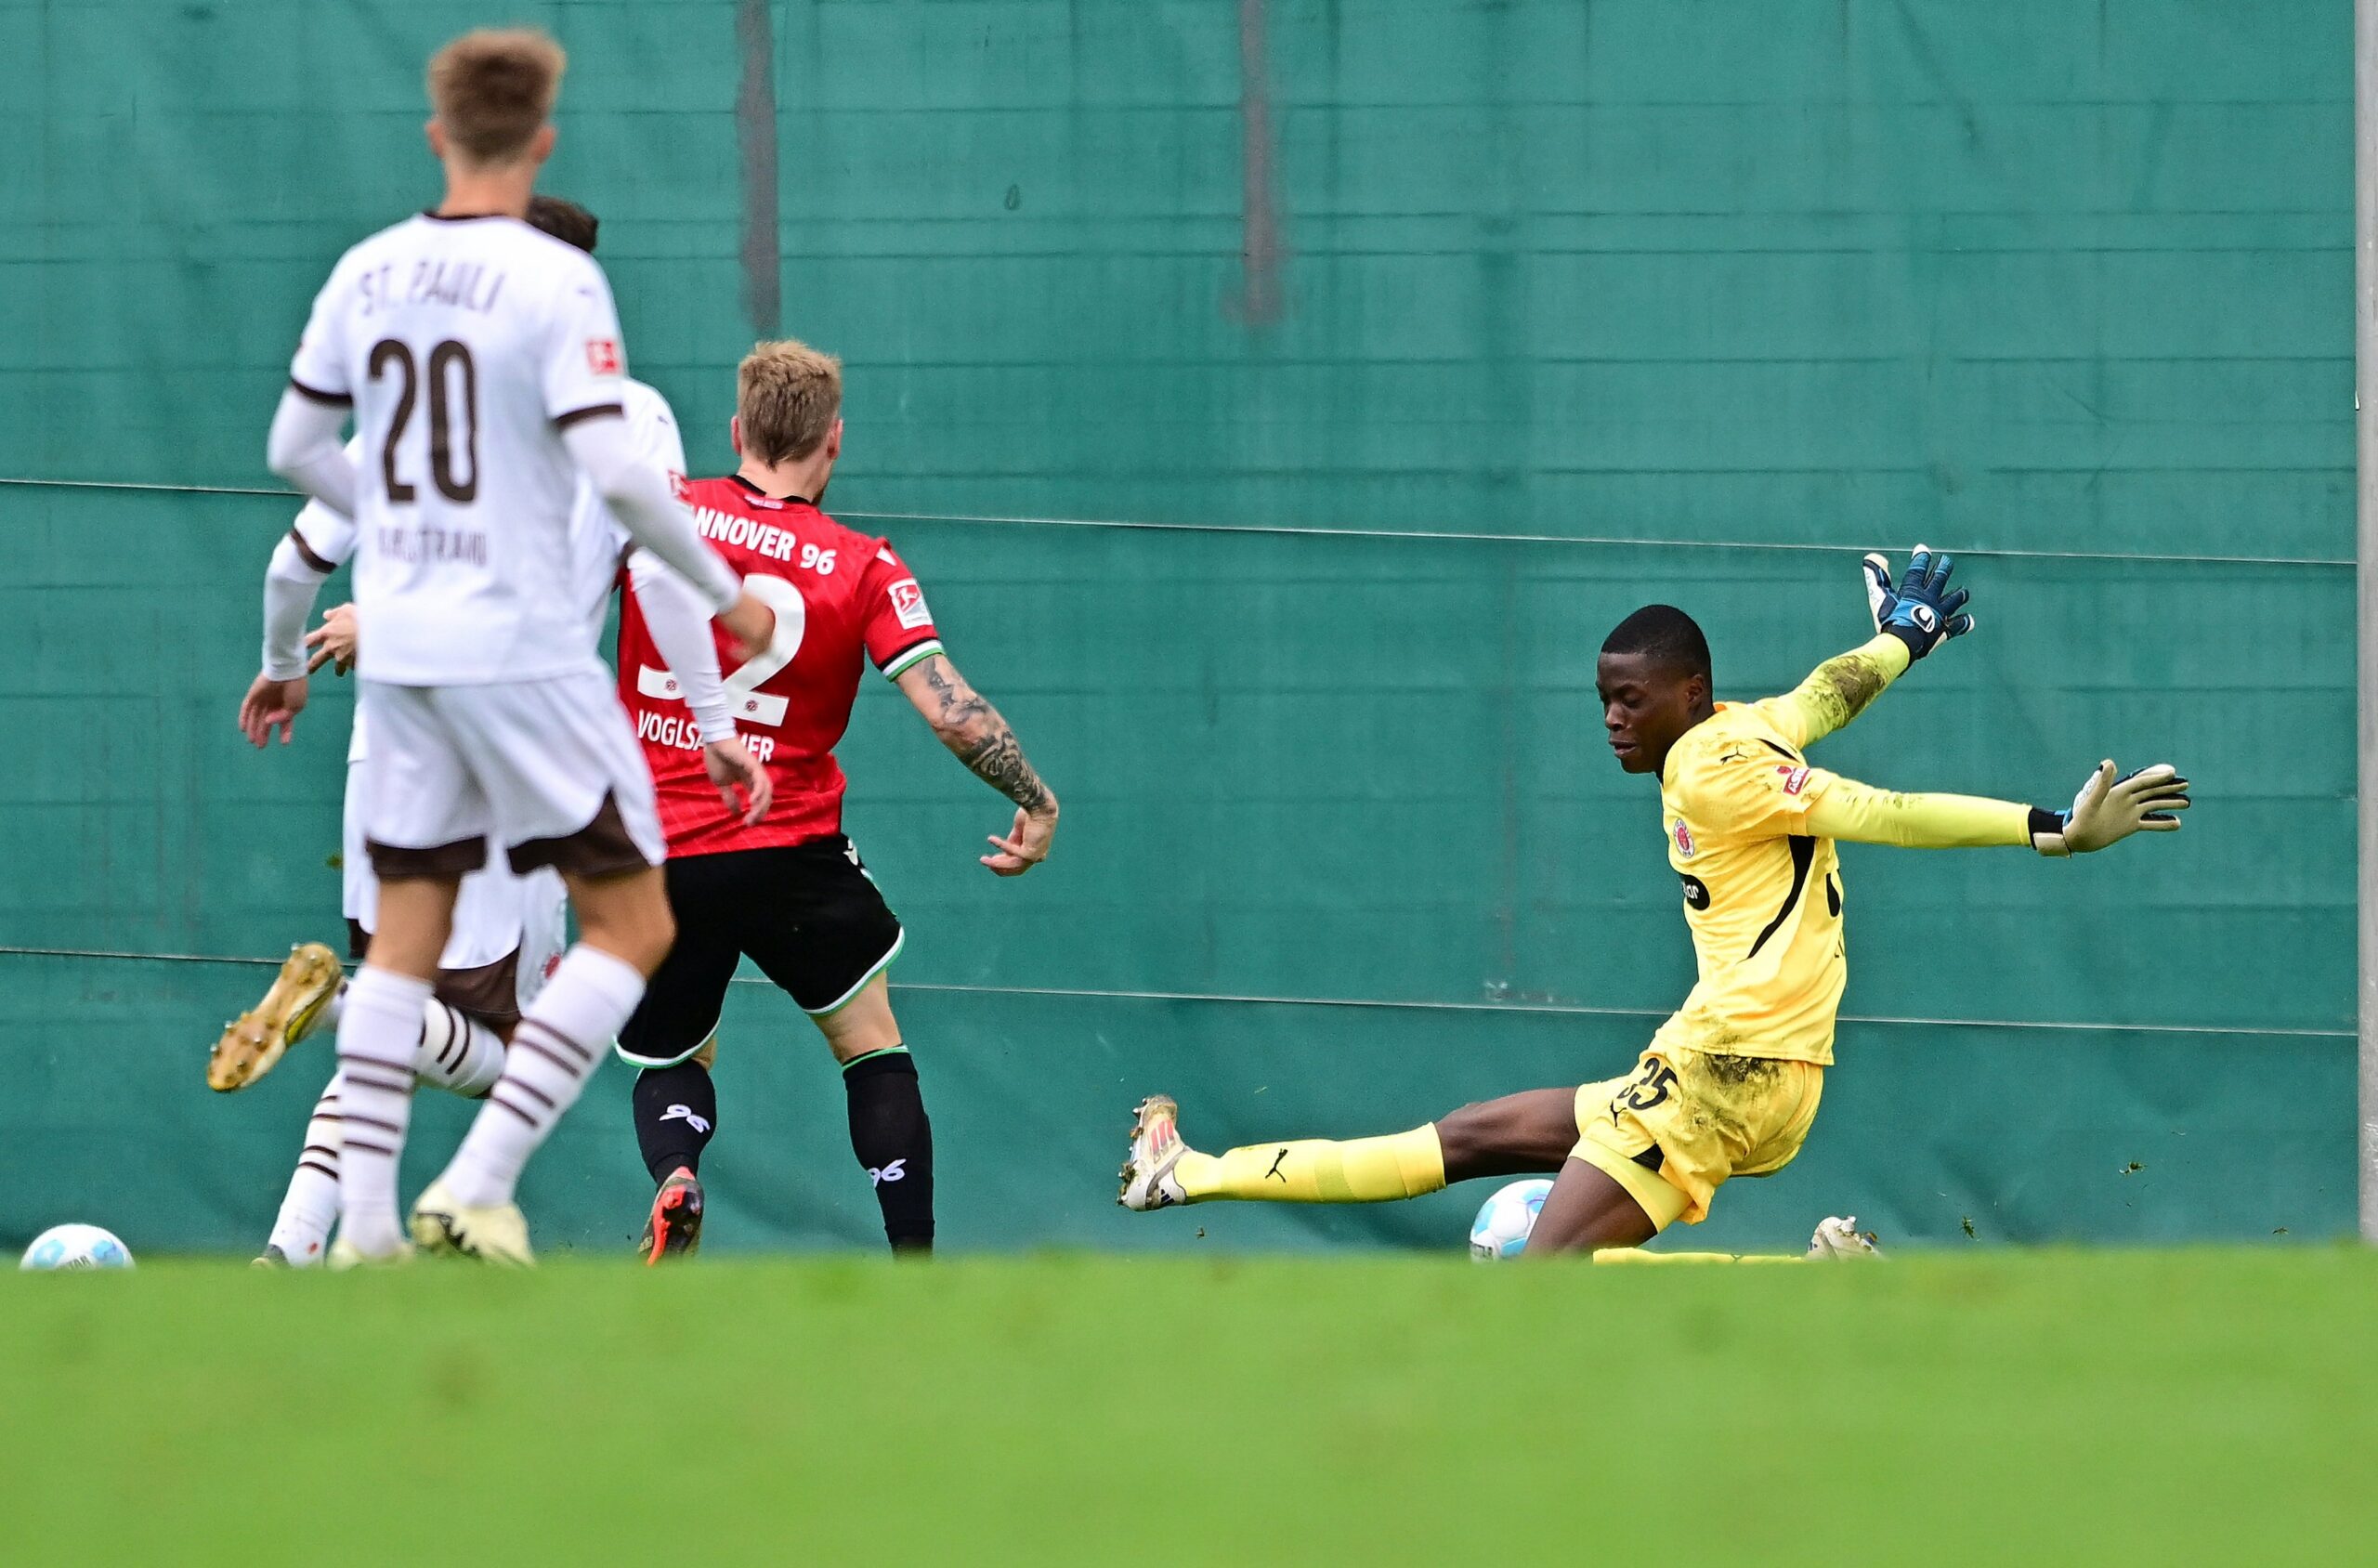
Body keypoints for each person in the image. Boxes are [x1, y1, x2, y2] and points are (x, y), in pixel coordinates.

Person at [1117, 550, 2191, 1253]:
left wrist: (2051, 827)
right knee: (1466, 1137)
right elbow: (1828, 690)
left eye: (1630, 699)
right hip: (1725, 1061)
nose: (1612, 721)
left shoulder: (1708, 769)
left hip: (1731, 1070)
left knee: (1538, 1278)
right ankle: (1190, 1173)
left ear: (1688, 695)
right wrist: (1904, 634)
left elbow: (1885, 809)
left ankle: (1812, 1290)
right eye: (1601, 700)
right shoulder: (1743, 726)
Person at [250, 28, 775, 1264]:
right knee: (636, 929)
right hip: (524, 660)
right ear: (538, 144)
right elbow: (623, 486)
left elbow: (292, 454)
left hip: (403, 671)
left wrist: (392, 540)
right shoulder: (558, 293)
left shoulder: (372, 273)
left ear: (435, 137)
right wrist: (729, 608)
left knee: (407, 937)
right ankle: (476, 1184)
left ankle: (365, 1236)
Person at [613, 339, 1060, 1261]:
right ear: (835, 442)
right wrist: (1035, 796)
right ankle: (914, 1264)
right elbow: (950, 709)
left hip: (659, 845)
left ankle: (677, 1175)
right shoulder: (863, 564)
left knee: (677, 1055)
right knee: (867, 1041)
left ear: (737, 429)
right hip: (789, 844)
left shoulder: (659, 513)